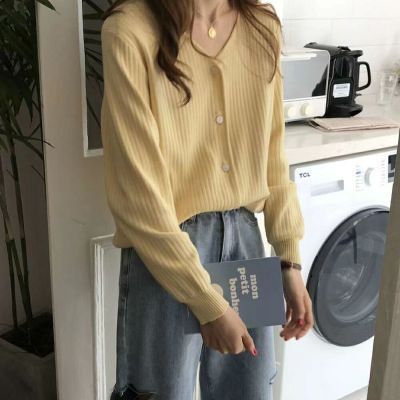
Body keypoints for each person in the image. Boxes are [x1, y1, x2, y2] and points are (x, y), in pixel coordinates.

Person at [100, 0, 314, 399]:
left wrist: (290, 260)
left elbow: (272, 154)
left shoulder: (261, 26)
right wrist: (207, 302)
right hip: (164, 251)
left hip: (245, 244)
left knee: (250, 391)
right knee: (161, 393)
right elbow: (137, 194)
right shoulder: (131, 31)